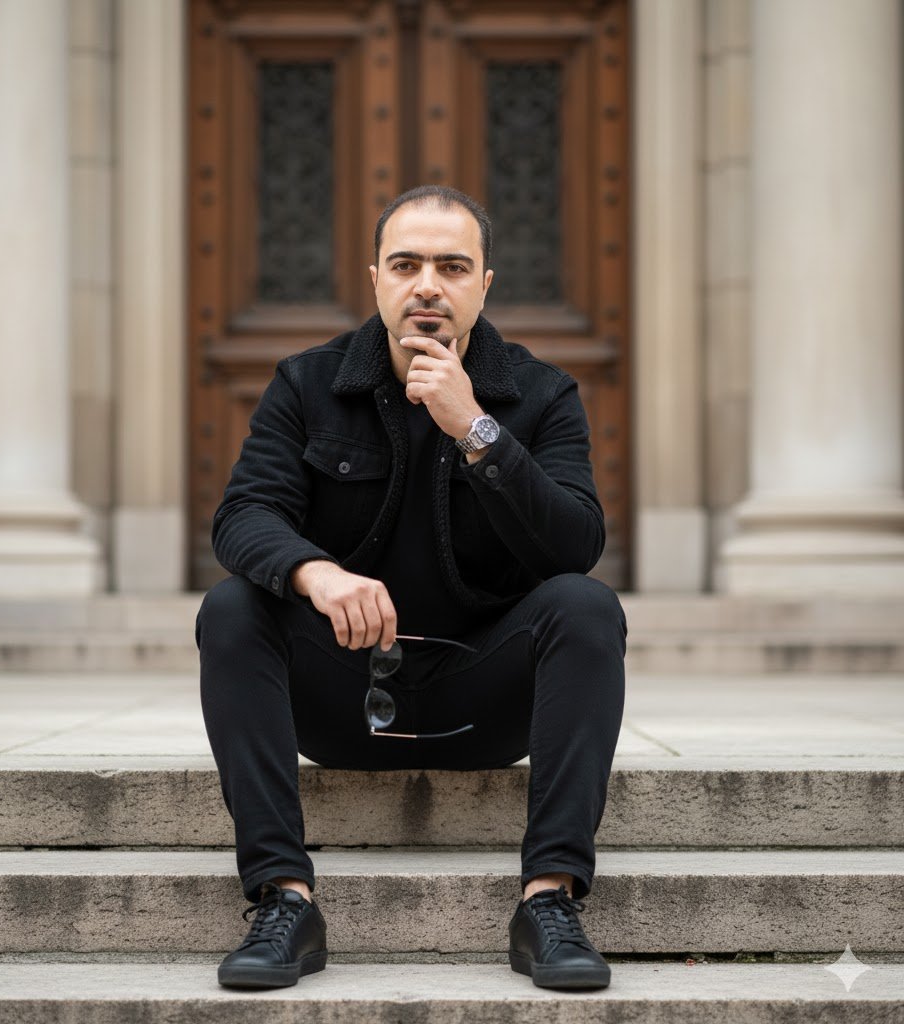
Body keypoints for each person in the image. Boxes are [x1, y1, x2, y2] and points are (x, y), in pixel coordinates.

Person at [195, 185, 626, 992]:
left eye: (451, 265)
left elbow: (578, 545)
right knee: (234, 607)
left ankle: (550, 901)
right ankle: (283, 900)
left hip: (485, 706)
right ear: (377, 280)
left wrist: (477, 429)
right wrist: (314, 573)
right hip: (345, 700)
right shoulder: (307, 384)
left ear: (484, 285)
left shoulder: (540, 395)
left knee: (586, 608)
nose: (428, 283)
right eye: (407, 264)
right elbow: (243, 514)